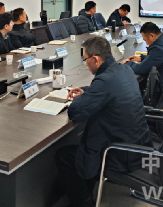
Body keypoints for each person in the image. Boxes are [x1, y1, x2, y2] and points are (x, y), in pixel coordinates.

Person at [55, 37, 152, 207]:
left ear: (95, 59)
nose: (85, 64)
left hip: (120, 154)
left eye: (85, 59)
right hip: (138, 143)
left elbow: (75, 111)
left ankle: (84, 203)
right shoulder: (124, 69)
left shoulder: (105, 81)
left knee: (64, 156)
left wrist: (85, 97)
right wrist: (88, 91)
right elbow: (108, 90)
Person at [122, 22, 163, 91]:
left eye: (146, 40)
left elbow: (141, 69)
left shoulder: (159, 48)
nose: (146, 43)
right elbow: (161, 59)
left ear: (152, 36)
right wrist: (142, 58)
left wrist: (127, 63)